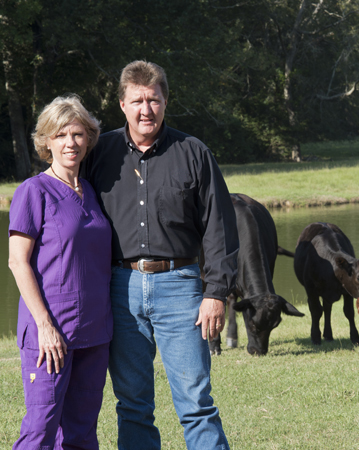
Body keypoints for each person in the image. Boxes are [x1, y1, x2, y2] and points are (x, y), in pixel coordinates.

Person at [82, 60, 239, 450]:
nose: (145, 109)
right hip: (120, 288)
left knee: (196, 403)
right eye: (136, 100)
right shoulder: (100, 153)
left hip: (181, 288)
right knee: (132, 404)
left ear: (166, 101)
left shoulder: (194, 153)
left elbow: (220, 228)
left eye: (153, 100)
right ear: (121, 104)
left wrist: (216, 292)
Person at [8, 95, 112, 449]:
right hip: (49, 334)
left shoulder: (93, 194)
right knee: (41, 428)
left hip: (94, 333)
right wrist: (44, 326)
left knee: (82, 432)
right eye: (61, 134)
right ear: (46, 142)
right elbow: (17, 262)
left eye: (79, 134)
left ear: (89, 139)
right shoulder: (33, 191)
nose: (71, 143)